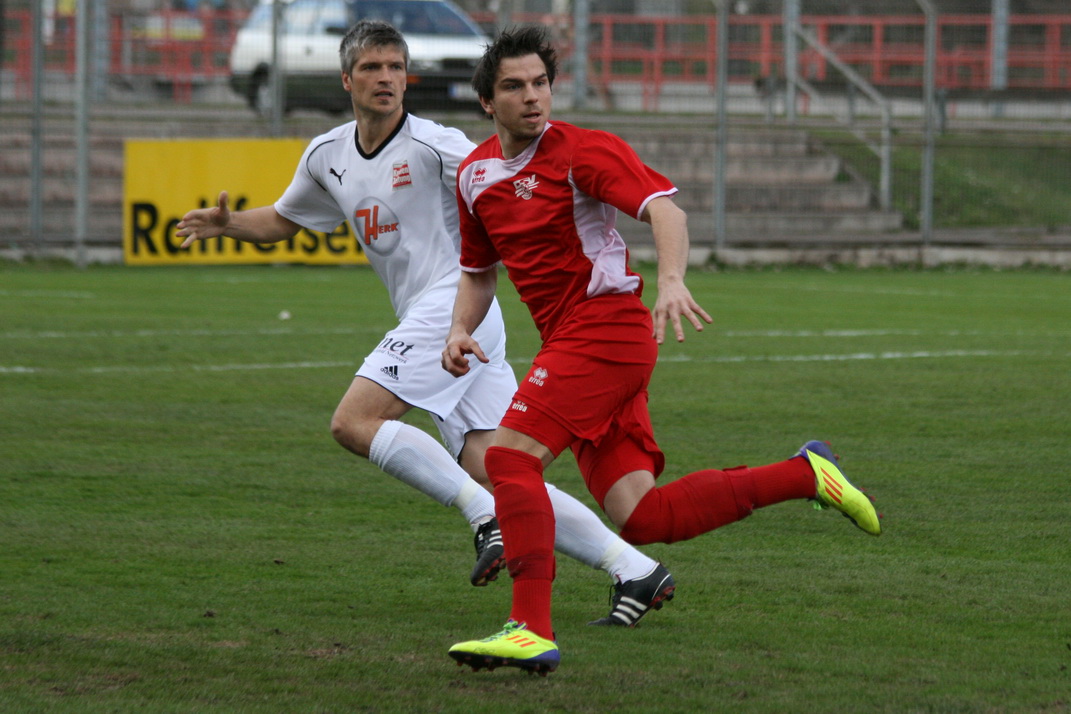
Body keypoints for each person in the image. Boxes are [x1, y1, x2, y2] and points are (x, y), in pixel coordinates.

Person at [175, 20, 675, 627]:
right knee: (498, 469)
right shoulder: (326, 155)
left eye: (395, 68)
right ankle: (634, 569)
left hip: (455, 311)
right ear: (347, 79)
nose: (385, 79)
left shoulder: (438, 145)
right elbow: (284, 219)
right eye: (371, 68)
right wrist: (227, 224)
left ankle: (485, 520)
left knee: (354, 421)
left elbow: (508, 173)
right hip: (444, 324)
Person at [442, 26, 882, 676]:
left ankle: (528, 627)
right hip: (574, 343)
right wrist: (459, 329)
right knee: (641, 517)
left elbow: (663, 210)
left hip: (606, 331)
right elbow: (479, 271)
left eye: (540, 83)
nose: (532, 97)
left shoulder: (581, 152)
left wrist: (671, 280)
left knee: (506, 457)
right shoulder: (476, 176)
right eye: (514, 86)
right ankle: (806, 474)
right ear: (486, 100)